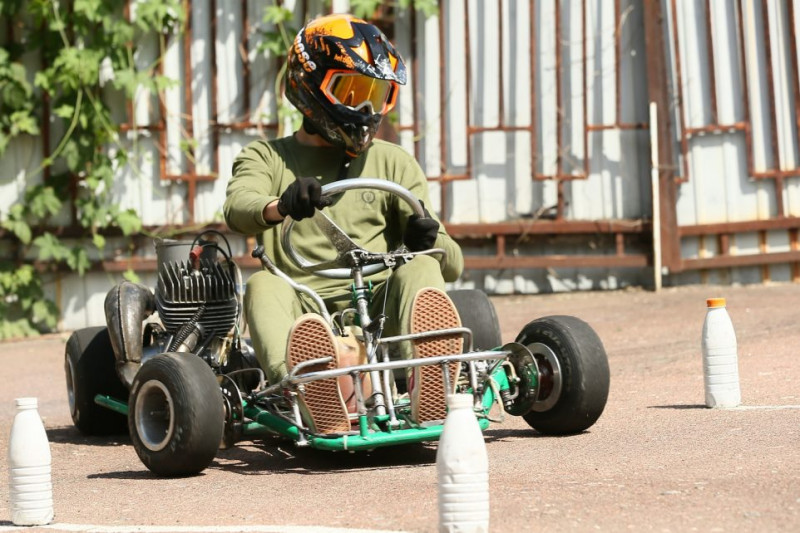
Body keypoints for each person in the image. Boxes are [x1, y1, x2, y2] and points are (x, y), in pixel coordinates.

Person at [223, 13, 464, 433]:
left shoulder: (392, 162)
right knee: (261, 285)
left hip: (378, 303)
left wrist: (425, 238)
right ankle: (306, 384)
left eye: (378, 94)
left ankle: (428, 378)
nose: (367, 108)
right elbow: (238, 207)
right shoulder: (267, 157)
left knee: (423, 265)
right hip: (302, 303)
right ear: (310, 84)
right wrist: (281, 205)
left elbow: (454, 264)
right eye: (352, 91)